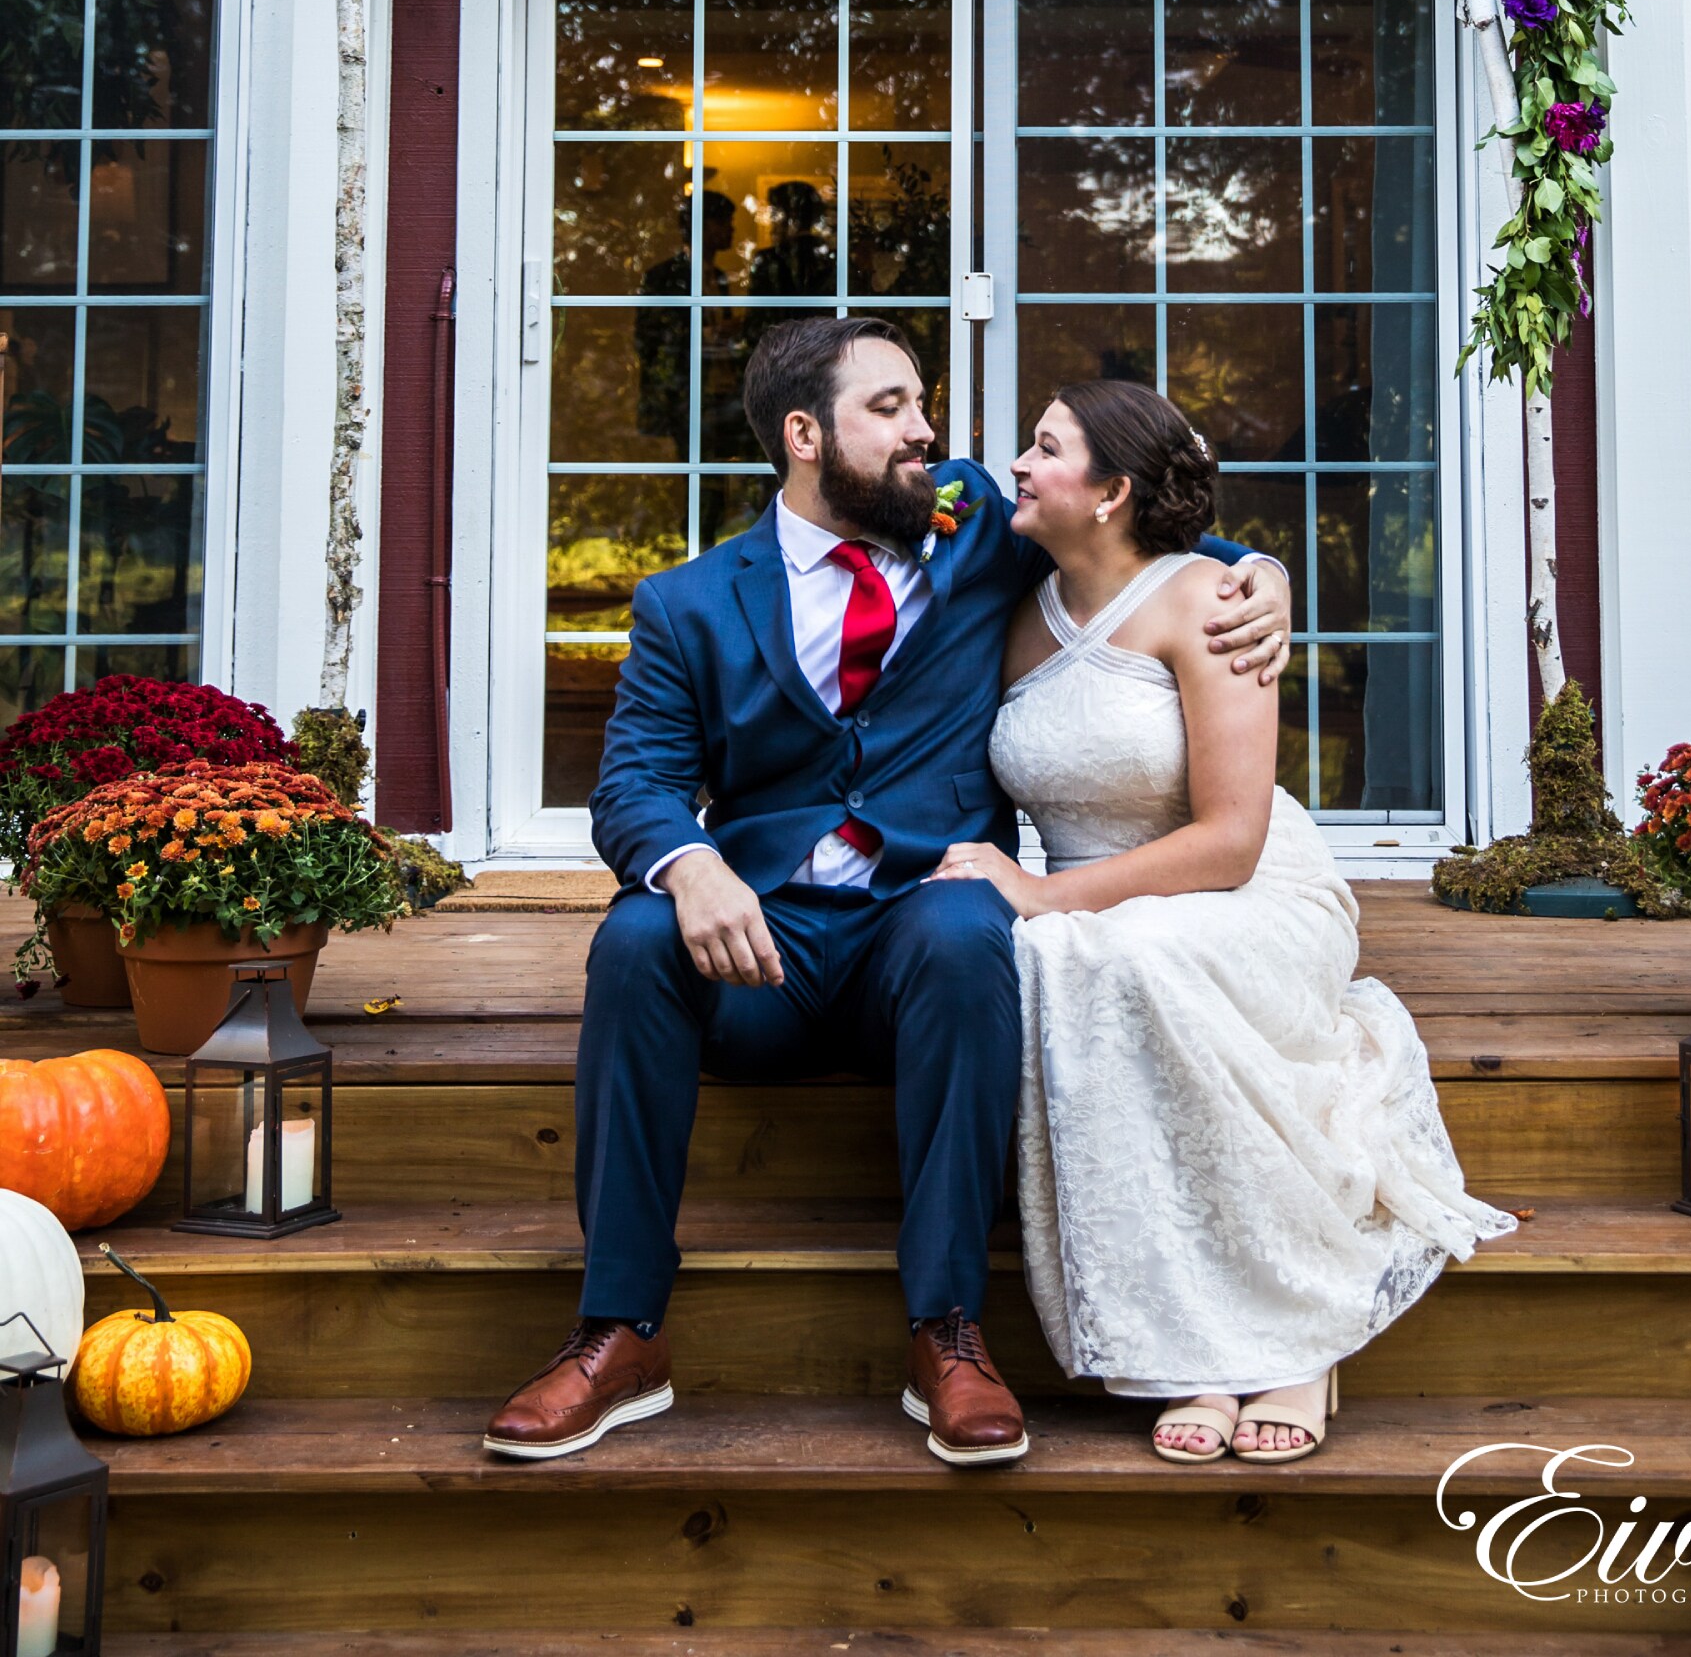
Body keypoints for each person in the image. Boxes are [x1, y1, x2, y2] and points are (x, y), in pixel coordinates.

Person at [481, 315, 1292, 1467]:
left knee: (970, 923)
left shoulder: (970, 526)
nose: (928, 433)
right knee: (631, 939)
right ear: (805, 435)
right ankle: (619, 1332)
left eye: (923, 405)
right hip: (760, 953)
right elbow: (634, 786)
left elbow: (1144, 526)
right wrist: (694, 863)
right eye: (892, 409)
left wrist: (1262, 572)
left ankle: (947, 1331)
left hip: (920, 937)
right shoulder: (690, 603)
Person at [931, 380, 1513, 1467]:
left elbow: (1231, 839)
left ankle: (1298, 1330)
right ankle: (1195, 1345)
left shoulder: (1210, 602)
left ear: (1108, 492)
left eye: (1043, 447)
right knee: (1071, 962)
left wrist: (1043, 891)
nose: (1014, 462)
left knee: (1105, 951)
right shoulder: (1012, 605)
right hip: (1107, 908)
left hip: (1241, 888)